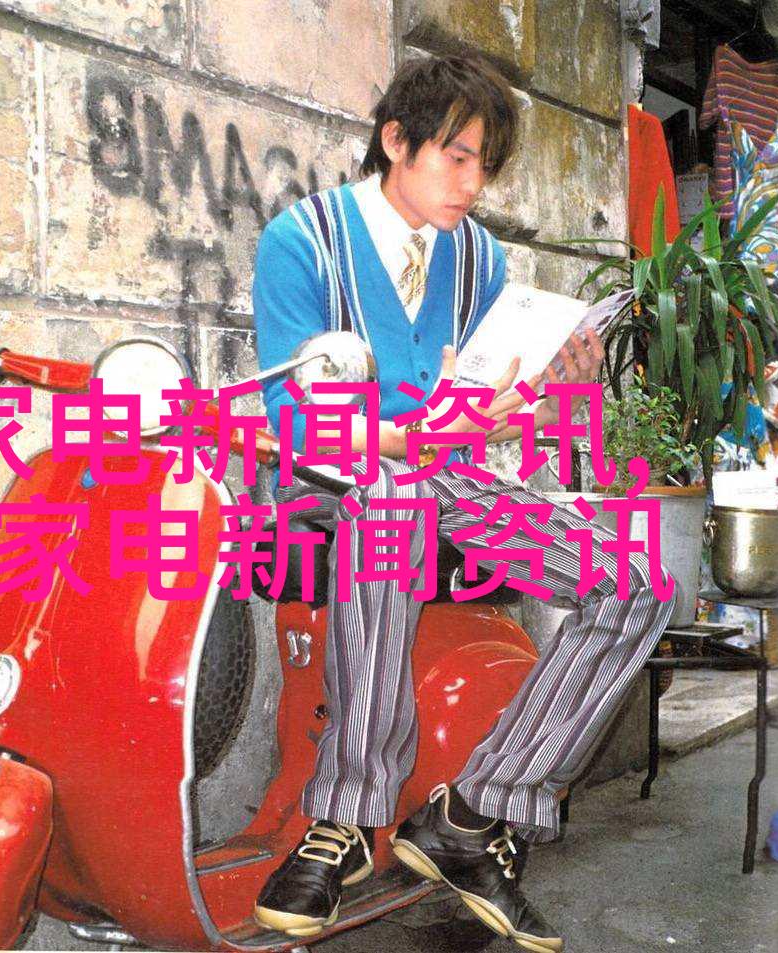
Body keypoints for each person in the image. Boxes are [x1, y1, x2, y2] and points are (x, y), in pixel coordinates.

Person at [250, 54, 677, 953]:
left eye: (485, 165)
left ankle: (475, 811)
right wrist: (416, 436)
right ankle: (344, 818)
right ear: (394, 141)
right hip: (330, 481)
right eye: (456, 157)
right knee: (393, 492)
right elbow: (295, 421)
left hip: (447, 474)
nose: (472, 184)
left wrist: (552, 390)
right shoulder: (303, 241)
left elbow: (482, 404)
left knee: (636, 584)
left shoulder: (479, 256)